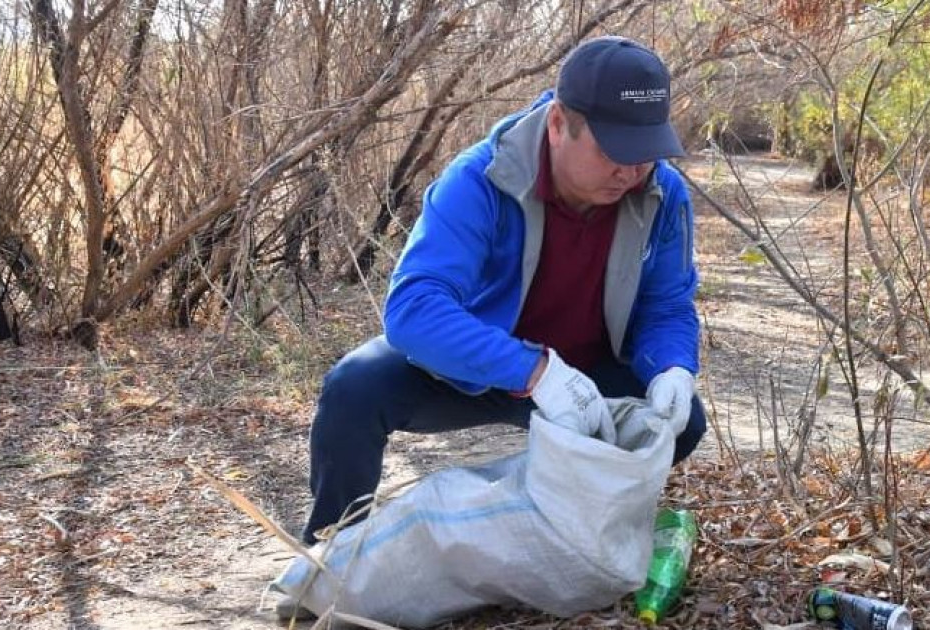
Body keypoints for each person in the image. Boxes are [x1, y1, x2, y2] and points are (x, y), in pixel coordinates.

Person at [301, 35, 706, 552]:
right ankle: (326, 557)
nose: (631, 172)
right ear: (559, 124)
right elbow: (413, 308)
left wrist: (673, 365)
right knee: (353, 390)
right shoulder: (482, 177)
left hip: (585, 381)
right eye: (614, 152)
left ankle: (574, 536)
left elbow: (666, 304)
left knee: (682, 420)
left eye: (645, 153)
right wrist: (534, 370)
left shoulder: (660, 193)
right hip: (476, 364)